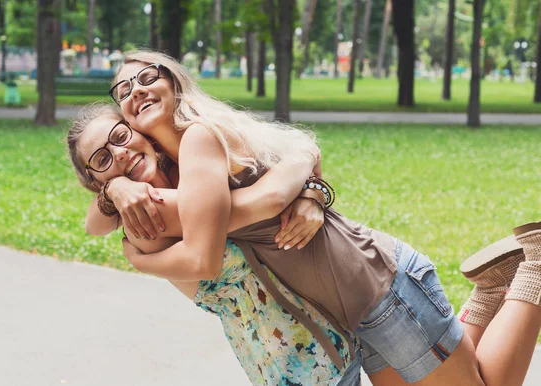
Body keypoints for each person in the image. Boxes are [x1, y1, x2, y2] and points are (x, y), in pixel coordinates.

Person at [98, 49, 541, 386]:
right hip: (342, 311)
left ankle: (535, 265)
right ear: (121, 115)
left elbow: (276, 186)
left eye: (146, 77)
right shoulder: (168, 175)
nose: (135, 90)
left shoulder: (201, 137)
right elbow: (95, 222)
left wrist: (139, 258)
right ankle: (491, 288)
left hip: (376, 286)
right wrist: (114, 187)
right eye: (123, 90)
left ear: (173, 82)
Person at [67, 104, 363, 385]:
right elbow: (211, 256)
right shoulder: (145, 223)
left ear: (138, 133)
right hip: (297, 361)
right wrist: (115, 193)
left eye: (120, 137)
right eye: (102, 159)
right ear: (95, 182)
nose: (119, 153)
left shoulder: (190, 166)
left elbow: (287, 157)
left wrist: (313, 189)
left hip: (329, 328)